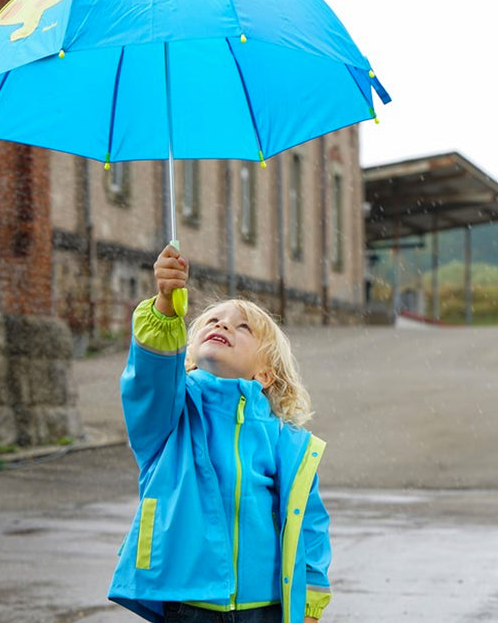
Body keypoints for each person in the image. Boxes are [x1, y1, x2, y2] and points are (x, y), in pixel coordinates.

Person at [108, 245, 332, 623]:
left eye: (242, 327)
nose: (222, 324)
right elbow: (149, 379)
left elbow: (308, 524)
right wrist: (164, 307)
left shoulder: (288, 444)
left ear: (264, 375)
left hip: (265, 608)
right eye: (211, 320)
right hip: (190, 605)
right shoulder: (170, 418)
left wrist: (309, 605)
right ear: (190, 356)